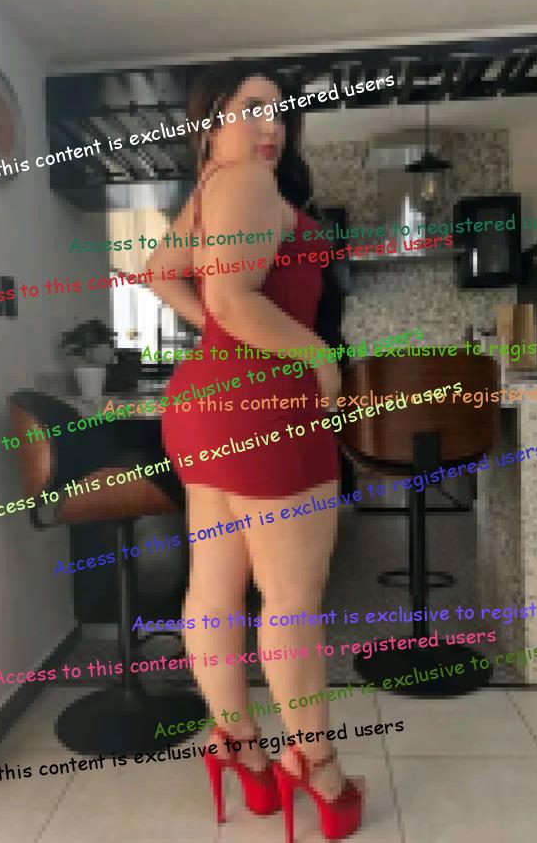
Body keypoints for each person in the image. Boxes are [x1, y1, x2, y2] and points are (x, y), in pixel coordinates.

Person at [146, 60, 363, 842]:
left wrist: (218, 328)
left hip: (205, 407)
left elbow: (162, 274)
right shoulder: (245, 182)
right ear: (209, 122)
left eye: (279, 112)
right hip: (265, 407)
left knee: (214, 592)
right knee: (289, 601)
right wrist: (318, 356)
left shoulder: (209, 188)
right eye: (251, 108)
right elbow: (233, 298)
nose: (271, 126)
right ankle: (319, 769)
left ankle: (241, 750)